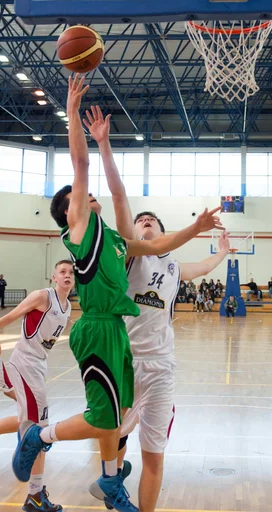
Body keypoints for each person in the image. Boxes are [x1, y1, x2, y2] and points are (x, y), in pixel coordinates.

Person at [12, 77, 223, 512]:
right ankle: (39, 436)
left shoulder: (116, 241)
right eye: (79, 197)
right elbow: (85, 168)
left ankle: (110, 482)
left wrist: (199, 231)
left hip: (128, 346)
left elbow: (165, 247)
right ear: (71, 212)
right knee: (103, 420)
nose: (88, 195)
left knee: (113, 426)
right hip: (101, 330)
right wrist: (77, 119)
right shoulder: (82, 229)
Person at [99, 208, 228, 512]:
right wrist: (196, 226)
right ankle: (111, 480)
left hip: (161, 366)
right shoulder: (128, 256)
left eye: (152, 221)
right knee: (114, 431)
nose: (145, 222)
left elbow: (205, 267)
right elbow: (125, 218)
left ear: (162, 231)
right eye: (140, 220)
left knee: (154, 454)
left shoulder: (173, 267)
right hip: (125, 362)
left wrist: (222, 252)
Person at [0, 260, 74, 512]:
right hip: (25, 365)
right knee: (37, 430)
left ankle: (35, 496)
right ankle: (34, 496)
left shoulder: (68, 306)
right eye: (62, 272)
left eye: (71, 273)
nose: (67, 275)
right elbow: (7, 318)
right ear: (53, 277)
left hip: (38, 367)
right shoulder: (41, 297)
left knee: (26, 423)